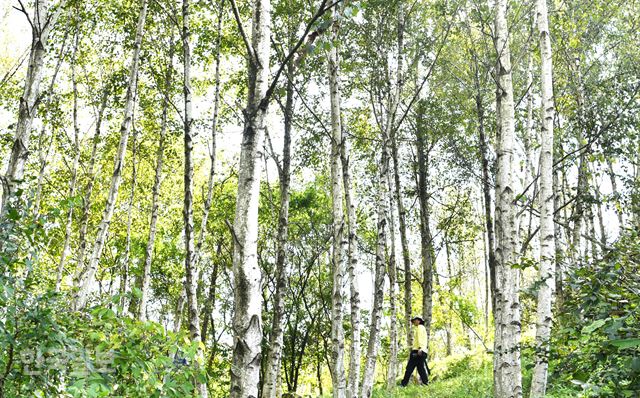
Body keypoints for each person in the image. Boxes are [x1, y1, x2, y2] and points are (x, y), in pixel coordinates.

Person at [400, 316, 429, 387]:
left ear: (419, 321)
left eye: (414, 320)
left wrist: (420, 348)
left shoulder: (419, 327)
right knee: (421, 369)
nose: (413, 322)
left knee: (409, 368)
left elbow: (420, 338)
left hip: (418, 351)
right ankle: (426, 383)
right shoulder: (423, 328)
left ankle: (403, 384)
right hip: (423, 351)